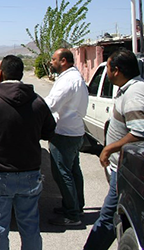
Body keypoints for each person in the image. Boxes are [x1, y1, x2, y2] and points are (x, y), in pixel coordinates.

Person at [0, 55, 56, 250]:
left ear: (0, 73)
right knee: (30, 225)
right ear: (21, 74)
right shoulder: (38, 102)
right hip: (29, 174)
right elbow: (50, 131)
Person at [83, 48, 144, 250]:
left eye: (107, 68)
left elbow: (139, 133)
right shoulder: (131, 89)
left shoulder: (136, 93)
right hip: (125, 167)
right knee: (113, 215)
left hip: (130, 168)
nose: (106, 73)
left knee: (107, 218)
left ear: (116, 70)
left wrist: (108, 149)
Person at [45, 48, 88, 226]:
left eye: (54, 59)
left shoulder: (68, 80)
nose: (51, 62)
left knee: (62, 174)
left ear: (63, 61)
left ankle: (72, 215)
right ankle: (76, 206)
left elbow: (51, 104)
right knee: (73, 171)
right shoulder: (74, 78)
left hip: (64, 134)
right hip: (75, 131)